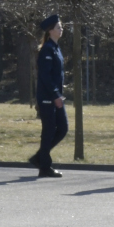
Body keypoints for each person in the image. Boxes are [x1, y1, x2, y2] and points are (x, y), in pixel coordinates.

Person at [29, 14, 66, 178]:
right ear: (50, 31)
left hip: (56, 97)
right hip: (48, 97)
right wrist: (55, 95)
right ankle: (44, 167)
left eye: (61, 26)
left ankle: (39, 157)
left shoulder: (56, 48)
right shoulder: (46, 50)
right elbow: (45, 76)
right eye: (58, 27)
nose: (61, 29)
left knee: (63, 128)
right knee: (49, 131)